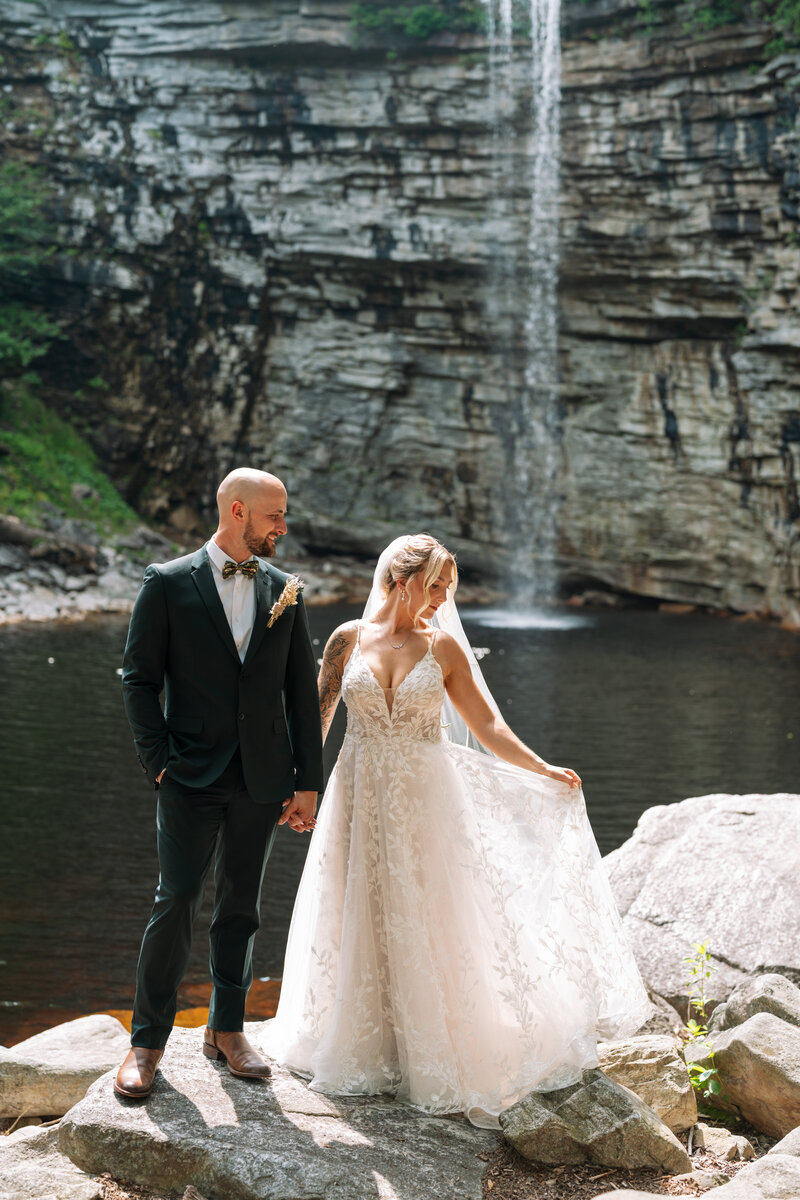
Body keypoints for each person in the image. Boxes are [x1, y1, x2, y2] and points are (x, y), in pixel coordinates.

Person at [261, 534, 650, 1128]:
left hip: (426, 798)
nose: (444, 598)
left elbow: (487, 725)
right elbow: (316, 719)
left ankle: (431, 1045)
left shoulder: (443, 648)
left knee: (433, 913)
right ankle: (368, 1041)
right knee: (356, 906)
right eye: (438, 584)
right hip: (357, 792)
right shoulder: (345, 640)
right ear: (401, 578)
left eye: (451, 588)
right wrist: (297, 791)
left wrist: (542, 768)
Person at [115, 468, 323, 1099]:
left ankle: (226, 1030)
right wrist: (158, 761)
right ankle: (146, 1041)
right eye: (275, 517)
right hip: (188, 775)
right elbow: (138, 679)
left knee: (240, 909)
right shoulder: (168, 584)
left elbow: (299, 697)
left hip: (261, 778)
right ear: (239, 511)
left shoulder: (286, 590)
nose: (283, 528)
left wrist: (306, 781)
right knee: (174, 901)